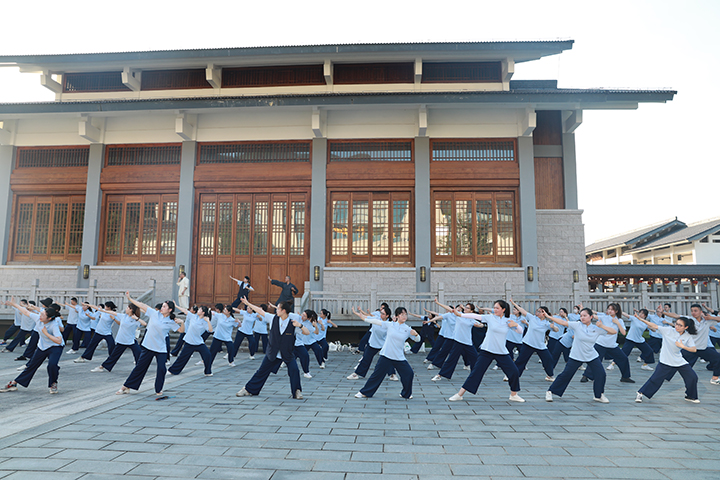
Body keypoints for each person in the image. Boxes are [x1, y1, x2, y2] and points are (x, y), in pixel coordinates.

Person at [447, 300, 525, 403]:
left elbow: (520, 331)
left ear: (503, 310)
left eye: (497, 308)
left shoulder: (508, 321)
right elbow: (474, 316)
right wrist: (459, 314)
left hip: (501, 352)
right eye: (494, 307)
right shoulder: (490, 318)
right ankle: (460, 394)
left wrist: (516, 325)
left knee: (514, 371)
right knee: (476, 372)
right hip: (487, 350)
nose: (495, 309)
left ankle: (513, 394)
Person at [236, 299, 309, 399]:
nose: (276, 310)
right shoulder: (272, 318)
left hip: (287, 352)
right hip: (273, 352)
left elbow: (307, 332)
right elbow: (260, 311)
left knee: (294, 370)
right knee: (262, 371)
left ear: (283, 311)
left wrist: (300, 325)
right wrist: (248, 304)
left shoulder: (293, 323)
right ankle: (248, 389)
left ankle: (297, 391)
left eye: (278, 308)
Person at [546, 306, 617, 403]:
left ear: (591, 317)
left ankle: (599, 395)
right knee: (566, 374)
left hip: (591, 355)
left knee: (601, 374)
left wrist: (602, 326)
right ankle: (550, 391)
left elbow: (614, 331)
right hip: (576, 355)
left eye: (585, 315)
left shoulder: (596, 328)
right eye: (581, 315)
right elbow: (563, 322)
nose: (582, 317)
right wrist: (548, 317)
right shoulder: (577, 325)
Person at [116, 294, 184, 395]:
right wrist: (130, 299)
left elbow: (181, 331)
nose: (162, 307)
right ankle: (125, 386)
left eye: (164, 306)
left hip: (161, 348)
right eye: (162, 306)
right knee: (140, 367)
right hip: (148, 346)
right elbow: (141, 305)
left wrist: (182, 322)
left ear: (170, 310)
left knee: (162, 368)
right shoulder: (154, 313)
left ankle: (158, 389)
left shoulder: (170, 321)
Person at [355, 307, 420, 399]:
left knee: (409, 373)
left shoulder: (407, 329)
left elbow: (418, 340)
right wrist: (365, 318)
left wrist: (416, 334)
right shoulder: (390, 325)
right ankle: (364, 392)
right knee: (377, 375)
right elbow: (377, 322)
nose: (404, 316)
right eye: (402, 314)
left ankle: (406, 394)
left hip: (399, 357)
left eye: (405, 314)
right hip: (386, 355)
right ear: (397, 316)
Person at [1, 299, 64, 394]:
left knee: (52, 365)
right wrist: (14, 304)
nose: (40, 316)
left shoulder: (53, 325)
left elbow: (59, 340)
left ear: (49, 318)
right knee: (31, 365)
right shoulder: (38, 318)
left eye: (43, 315)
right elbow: (25, 312)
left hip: (55, 347)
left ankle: (53, 383)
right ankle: (14, 383)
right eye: (41, 314)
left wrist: (46, 333)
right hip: (42, 346)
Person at [634, 314, 699, 403]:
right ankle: (640, 393)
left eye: (680, 325)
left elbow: (694, 349)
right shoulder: (668, 330)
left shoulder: (687, 336)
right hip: (666, 360)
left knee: (692, 377)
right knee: (656, 379)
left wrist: (683, 346)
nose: (677, 326)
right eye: (676, 324)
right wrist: (640, 319)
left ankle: (690, 396)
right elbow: (654, 326)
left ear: (686, 327)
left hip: (679, 361)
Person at [664, 304, 720, 385]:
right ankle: (665, 376)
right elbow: (676, 316)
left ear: (701, 312)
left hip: (703, 349)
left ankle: (715, 378)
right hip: (690, 348)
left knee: (718, 358)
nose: (693, 313)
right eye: (692, 311)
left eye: (695, 311)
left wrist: (711, 317)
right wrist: (663, 312)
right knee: (676, 361)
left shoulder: (707, 321)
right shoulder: (689, 320)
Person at [430, 299, 485, 382]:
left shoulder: (471, 319)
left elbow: (479, 325)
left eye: (467, 308)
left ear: (471, 311)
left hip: (468, 343)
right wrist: (437, 303)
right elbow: (449, 309)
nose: (465, 309)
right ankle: (439, 375)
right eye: (465, 307)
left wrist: (480, 325)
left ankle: (476, 376)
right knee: (451, 359)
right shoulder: (459, 315)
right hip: (458, 341)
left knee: (475, 359)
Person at [580, 303, 635, 384]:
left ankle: (625, 377)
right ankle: (586, 376)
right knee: (595, 360)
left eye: (612, 309)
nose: (609, 311)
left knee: (623, 359)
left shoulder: (619, 320)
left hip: (612, 345)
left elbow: (623, 333)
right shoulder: (604, 317)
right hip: (601, 344)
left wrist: (617, 323)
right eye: (608, 309)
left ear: (616, 311)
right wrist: (583, 309)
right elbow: (593, 315)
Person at [509, 300, 558, 381]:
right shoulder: (532, 318)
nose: (537, 312)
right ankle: (513, 375)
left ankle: (550, 375)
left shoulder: (546, 323)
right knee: (521, 360)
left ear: (544, 313)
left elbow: (556, 330)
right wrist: (513, 303)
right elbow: (522, 311)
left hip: (540, 345)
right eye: (537, 311)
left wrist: (553, 327)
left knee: (548, 359)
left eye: (539, 311)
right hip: (528, 343)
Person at [91, 303, 146, 372]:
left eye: (127, 308)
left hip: (131, 340)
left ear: (131, 310)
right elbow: (113, 312)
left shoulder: (135, 320)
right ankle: (101, 367)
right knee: (113, 356)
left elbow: (144, 324)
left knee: (138, 354)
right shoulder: (123, 316)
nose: (126, 309)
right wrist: (103, 311)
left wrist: (137, 318)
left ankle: (140, 369)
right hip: (121, 340)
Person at [347, 306, 397, 381]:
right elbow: (365, 317)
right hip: (373, 342)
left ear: (387, 315)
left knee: (388, 359)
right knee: (366, 358)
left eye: (383, 314)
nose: (381, 315)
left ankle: (393, 374)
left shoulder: (389, 324)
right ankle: (356, 374)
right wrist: (355, 312)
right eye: (381, 313)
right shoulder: (376, 318)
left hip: (384, 344)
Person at [168, 305, 214, 376]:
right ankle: (172, 370)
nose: (198, 310)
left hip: (198, 342)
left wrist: (208, 321)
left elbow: (210, 330)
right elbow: (185, 310)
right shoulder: (193, 316)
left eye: (199, 309)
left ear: (203, 312)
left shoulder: (204, 322)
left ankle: (208, 372)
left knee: (207, 355)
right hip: (189, 342)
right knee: (182, 358)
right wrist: (176, 306)